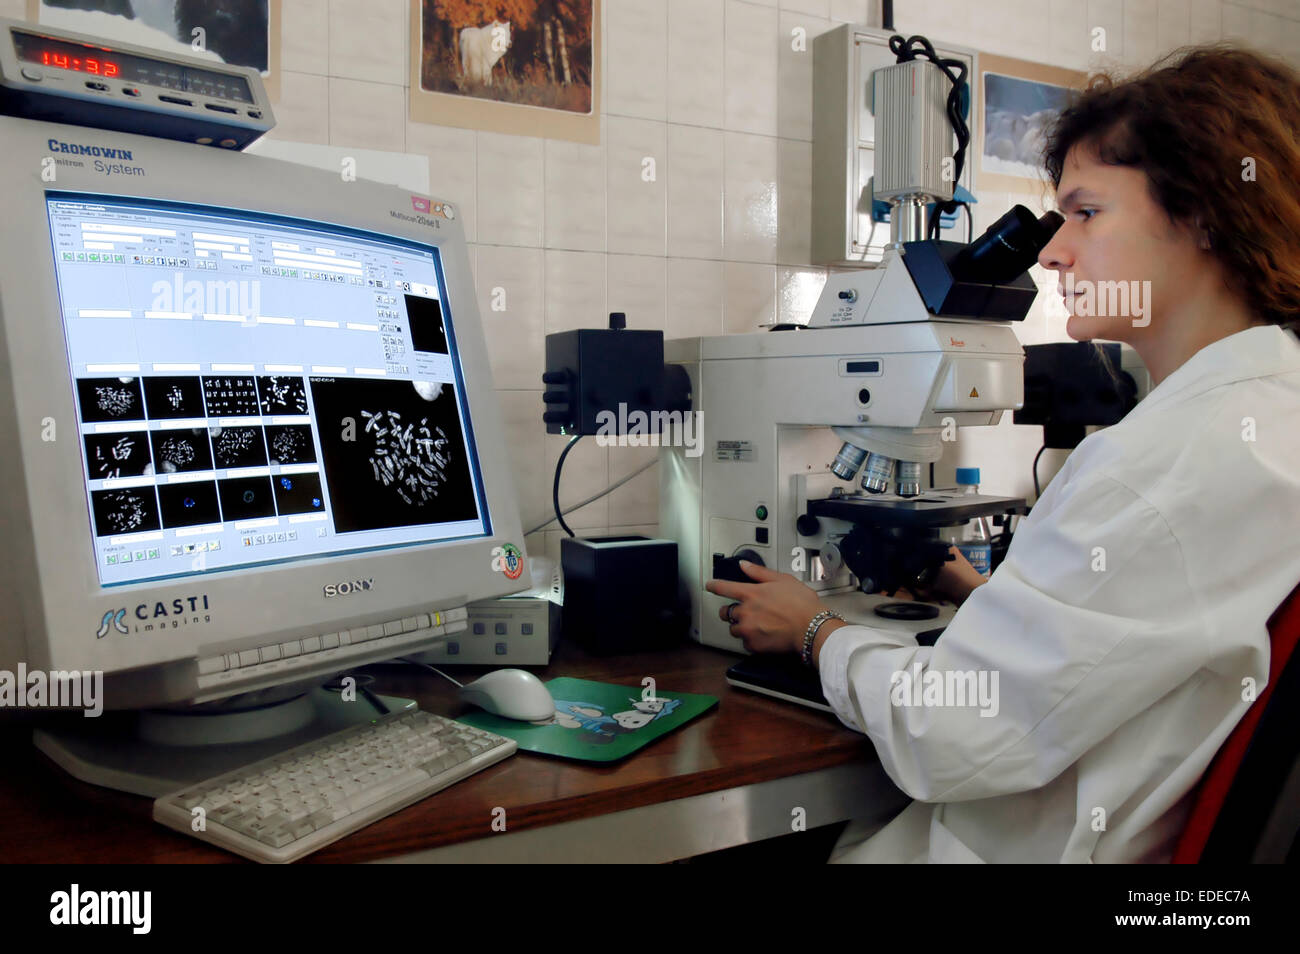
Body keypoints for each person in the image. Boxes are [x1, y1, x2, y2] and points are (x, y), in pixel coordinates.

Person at [706, 44, 1300, 863]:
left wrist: (814, 630)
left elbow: (947, 734)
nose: (1052, 252)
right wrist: (986, 594)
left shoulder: (1160, 462)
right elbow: (1154, 643)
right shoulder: (1268, 415)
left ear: (1201, 211)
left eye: (1087, 214)